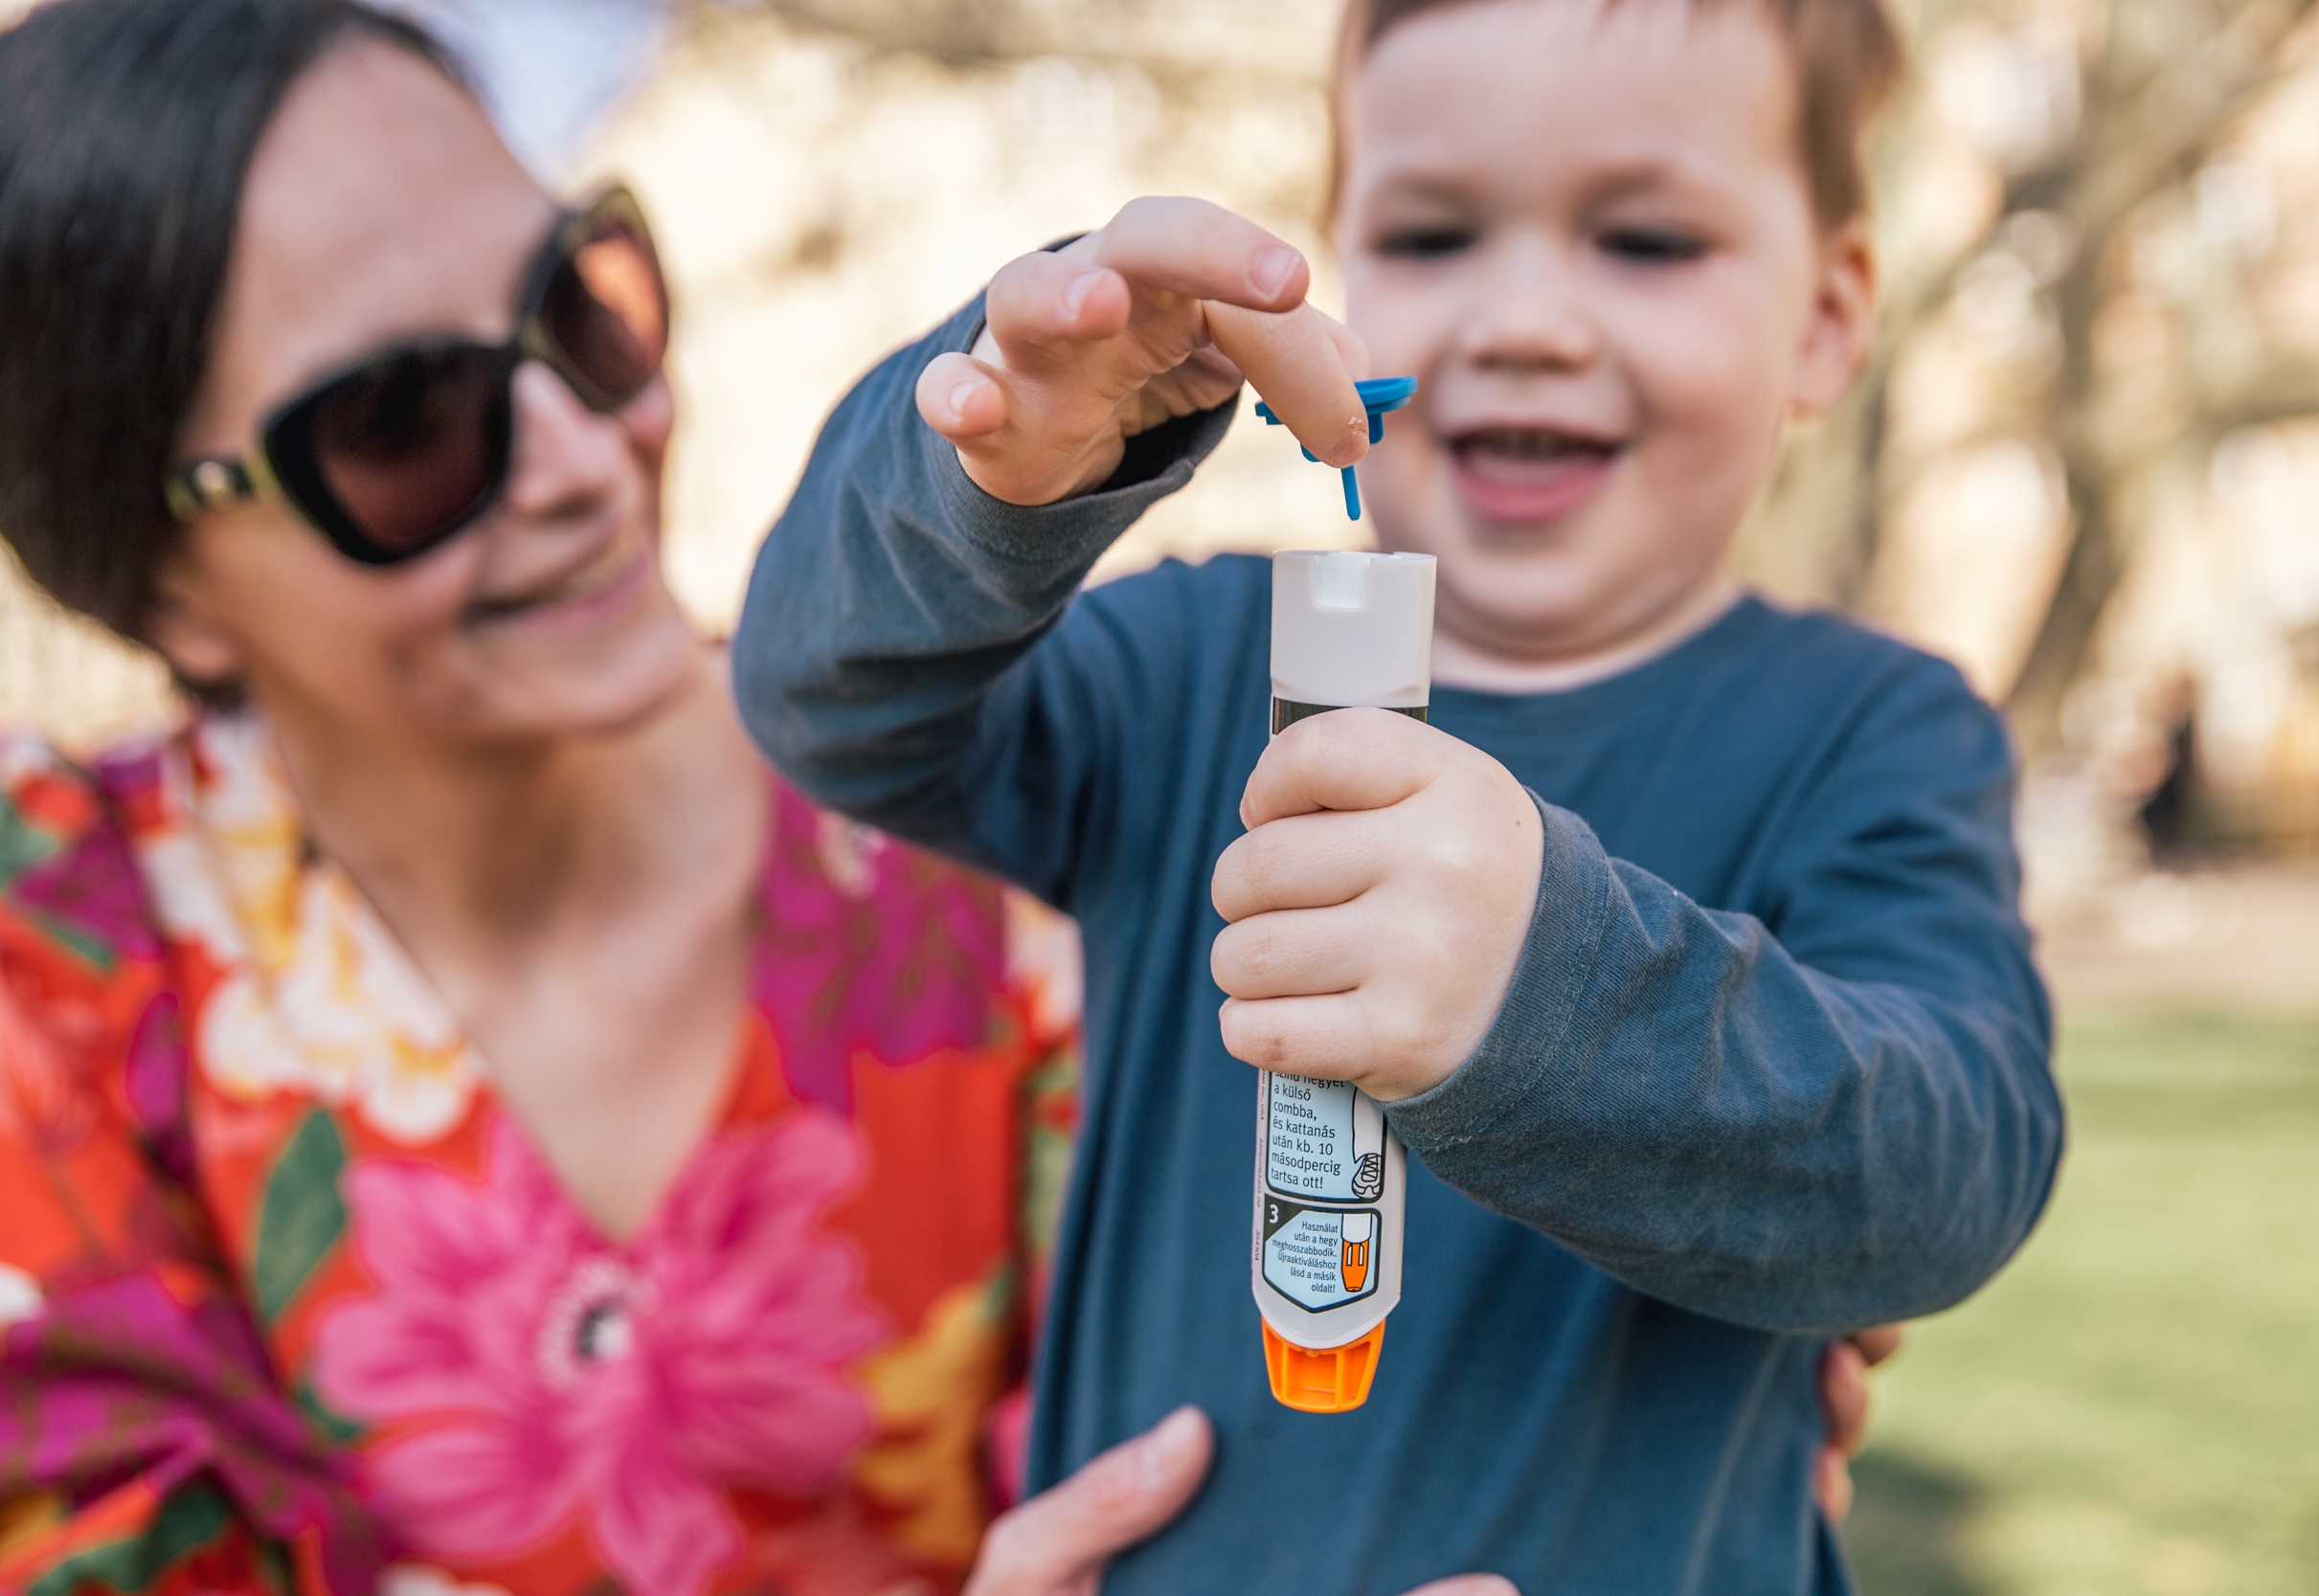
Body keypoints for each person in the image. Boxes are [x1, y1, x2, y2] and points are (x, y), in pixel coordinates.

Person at [0, 7, 1518, 1596]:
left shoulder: (997, 828)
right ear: (154, 576)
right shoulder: (60, 972)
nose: (592, 453)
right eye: (404, 424)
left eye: (577, 309)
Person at [732, 0, 2062, 1589]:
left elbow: (1954, 1162)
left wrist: (1545, 991)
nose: (1524, 320)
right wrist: (989, 470)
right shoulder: (1190, 669)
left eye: (1643, 240)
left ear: (1834, 314)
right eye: (1435, 234)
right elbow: (825, 697)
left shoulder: (1869, 731)